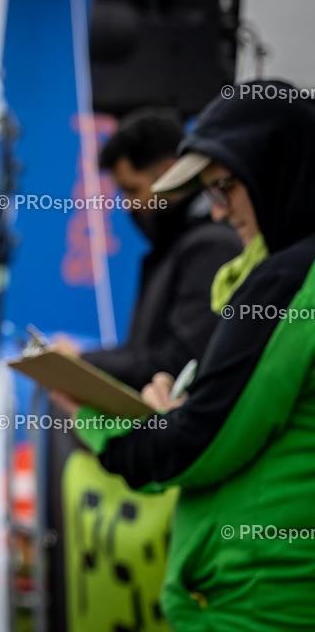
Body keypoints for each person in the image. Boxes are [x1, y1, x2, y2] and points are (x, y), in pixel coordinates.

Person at [56, 79, 315, 630]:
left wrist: (93, 420)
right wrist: (188, 400)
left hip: (265, 598)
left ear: (276, 170)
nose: (218, 212)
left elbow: (200, 440)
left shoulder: (292, 277)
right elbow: (234, 402)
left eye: (224, 189)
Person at [76, 108, 242, 389]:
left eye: (133, 189)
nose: (128, 205)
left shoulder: (210, 245)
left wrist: (81, 362)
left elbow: (180, 361)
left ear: (168, 172)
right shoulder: (173, 244)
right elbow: (147, 354)